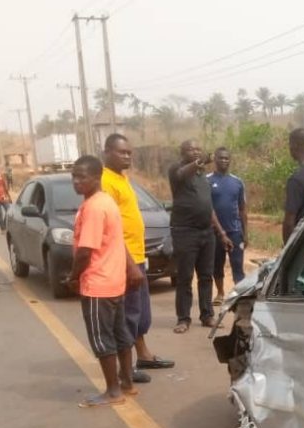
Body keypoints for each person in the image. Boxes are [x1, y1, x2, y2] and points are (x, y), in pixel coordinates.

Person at [64, 155, 143, 408]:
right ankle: (127, 383)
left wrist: (73, 277)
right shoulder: (105, 202)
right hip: (114, 282)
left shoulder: (95, 207)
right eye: (74, 176)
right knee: (120, 335)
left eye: (82, 177)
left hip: (97, 284)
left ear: (96, 178)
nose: (76, 182)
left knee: (102, 339)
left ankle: (112, 391)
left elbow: (86, 250)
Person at [101, 133, 175, 383]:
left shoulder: (122, 178)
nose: (127, 156)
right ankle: (126, 367)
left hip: (137, 254)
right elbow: (109, 228)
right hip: (124, 260)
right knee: (128, 314)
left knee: (140, 312)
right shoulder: (105, 182)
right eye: (122, 152)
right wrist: (129, 263)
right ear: (107, 152)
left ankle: (143, 354)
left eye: (129, 153)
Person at [168, 139, 230, 333]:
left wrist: (221, 233)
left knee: (206, 276)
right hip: (185, 231)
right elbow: (181, 173)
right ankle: (183, 319)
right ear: (182, 152)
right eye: (190, 149)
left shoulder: (202, 175)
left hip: (206, 232)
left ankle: (207, 315)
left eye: (198, 148)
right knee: (185, 277)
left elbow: (208, 206)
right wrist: (197, 163)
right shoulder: (177, 170)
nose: (195, 152)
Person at [207, 147, 248, 303]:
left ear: (230, 160)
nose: (224, 161)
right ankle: (220, 293)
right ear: (215, 159)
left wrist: (246, 232)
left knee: (237, 264)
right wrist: (219, 231)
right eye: (221, 158)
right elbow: (208, 208)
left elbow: (243, 209)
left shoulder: (237, 182)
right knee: (217, 265)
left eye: (226, 158)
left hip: (235, 231)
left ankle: (239, 294)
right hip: (215, 233)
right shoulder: (208, 180)